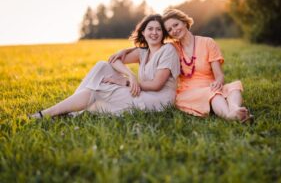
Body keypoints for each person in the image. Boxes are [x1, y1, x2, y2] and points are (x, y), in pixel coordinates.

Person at [109, 9, 253, 123]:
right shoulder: (171, 49)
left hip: (210, 84)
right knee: (214, 95)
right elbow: (146, 47)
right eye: (170, 29)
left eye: (176, 25)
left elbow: (219, 75)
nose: (174, 30)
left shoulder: (208, 42)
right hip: (187, 91)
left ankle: (236, 108)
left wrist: (218, 82)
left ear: (184, 22)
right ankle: (229, 115)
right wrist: (125, 50)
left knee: (233, 88)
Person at [29, 14, 180, 119]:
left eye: (158, 29)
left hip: (158, 100)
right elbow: (112, 60)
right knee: (102, 66)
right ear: (144, 32)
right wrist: (130, 75)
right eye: (150, 29)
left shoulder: (168, 50)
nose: (154, 33)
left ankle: (47, 114)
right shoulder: (143, 52)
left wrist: (126, 82)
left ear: (163, 33)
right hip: (141, 91)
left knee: (99, 89)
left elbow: (157, 85)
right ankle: (70, 109)